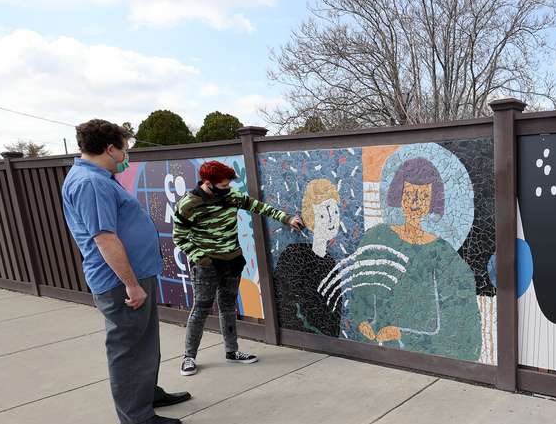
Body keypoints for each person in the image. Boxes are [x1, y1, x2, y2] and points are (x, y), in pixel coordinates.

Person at [61, 119, 190, 424]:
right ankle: (135, 417)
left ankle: (146, 395)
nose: (126, 155)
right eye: (125, 149)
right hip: (120, 282)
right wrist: (131, 284)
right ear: (110, 148)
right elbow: (104, 238)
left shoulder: (98, 177)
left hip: (133, 276)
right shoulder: (91, 183)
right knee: (129, 347)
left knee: (144, 342)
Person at [173, 161, 304, 375]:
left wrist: (286, 218)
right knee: (201, 309)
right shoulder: (189, 203)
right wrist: (202, 258)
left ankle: (232, 351)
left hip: (232, 261)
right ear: (208, 183)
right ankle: (189, 357)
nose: (228, 190)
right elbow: (179, 237)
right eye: (223, 186)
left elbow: (257, 207)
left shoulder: (232, 196)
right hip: (206, 266)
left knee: (228, 307)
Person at [346, 157, 481, 360]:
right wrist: (362, 322)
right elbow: (359, 294)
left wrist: (403, 335)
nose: (415, 202)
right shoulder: (376, 237)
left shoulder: (444, 254)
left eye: (423, 196)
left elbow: (460, 327)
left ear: (433, 201)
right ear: (399, 195)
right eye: (409, 194)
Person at [273, 178, 344, 336]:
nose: (332, 219)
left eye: (335, 211)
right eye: (325, 212)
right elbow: (286, 306)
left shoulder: (330, 262)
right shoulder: (295, 255)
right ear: (311, 216)